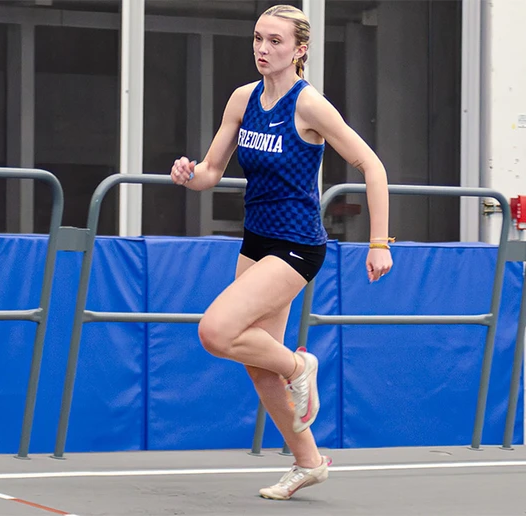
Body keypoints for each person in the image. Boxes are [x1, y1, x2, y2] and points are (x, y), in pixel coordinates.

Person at [170, 4, 393, 501]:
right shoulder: (242, 99)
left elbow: (372, 166)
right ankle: (308, 462)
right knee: (258, 364)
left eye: (275, 41)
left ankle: (300, 367)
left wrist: (379, 242)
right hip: (257, 240)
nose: (263, 48)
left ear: (299, 50)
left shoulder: (309, 105)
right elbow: (212, 171)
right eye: (258, 38)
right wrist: (190, 175)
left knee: (216, 331)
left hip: (297, 245)